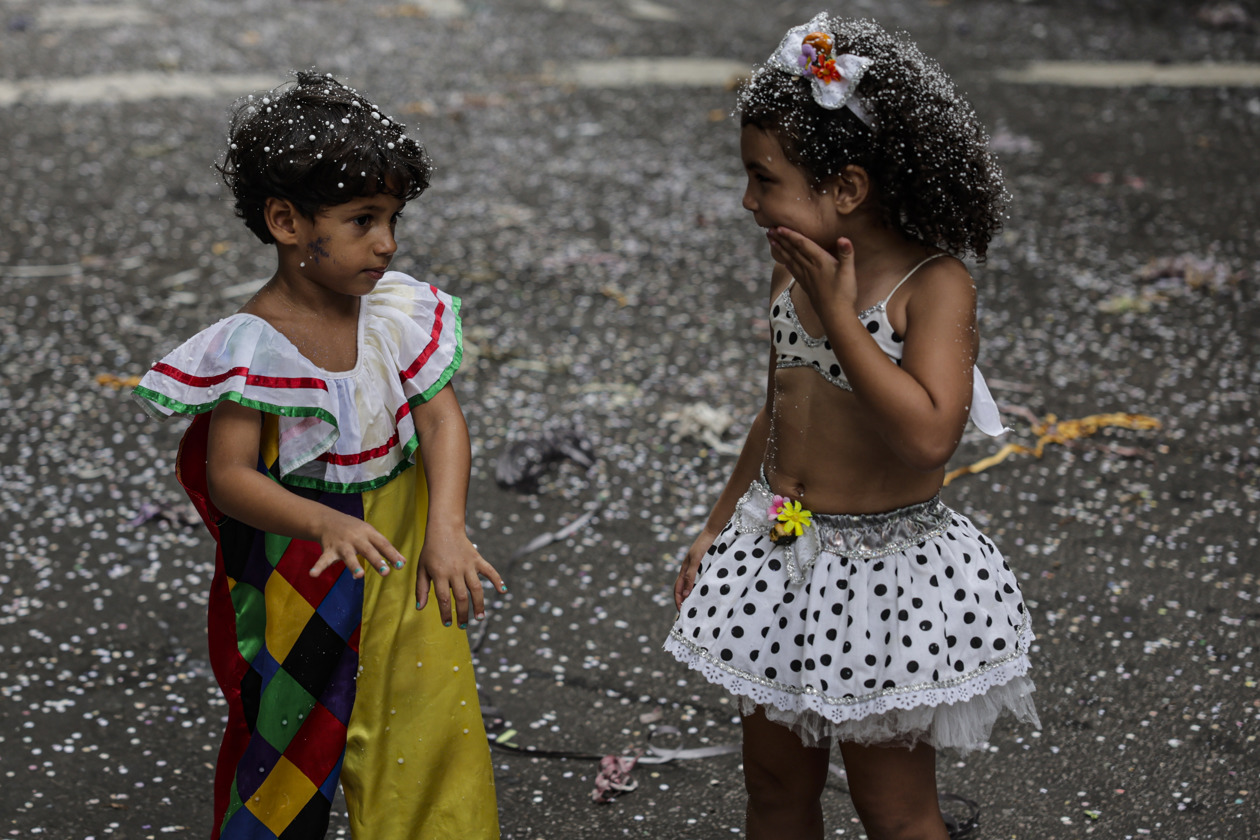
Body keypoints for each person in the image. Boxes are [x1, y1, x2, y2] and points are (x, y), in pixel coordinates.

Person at [664, 15, 1040, 840]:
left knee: (894, 808)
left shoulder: (932, 287)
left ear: (848, 189)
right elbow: (780, 407)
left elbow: (930, 437)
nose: (747, 199)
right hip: (779, 553)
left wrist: (843, 320)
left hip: (883, 582)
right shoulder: (793, 257)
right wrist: (721, 522)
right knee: (771, 785)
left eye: (764, 179)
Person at [133, 71, 502, 840]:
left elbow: (441, 423)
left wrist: (448, 528)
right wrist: (321, 524)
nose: (388, 241)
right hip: (301, 564)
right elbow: (228, 476)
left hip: (403, 544)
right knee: (294, 730)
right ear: (286, 222)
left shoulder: (393, 315)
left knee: (425, 714)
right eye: (363, 219)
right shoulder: (252, 346)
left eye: (393, 217)